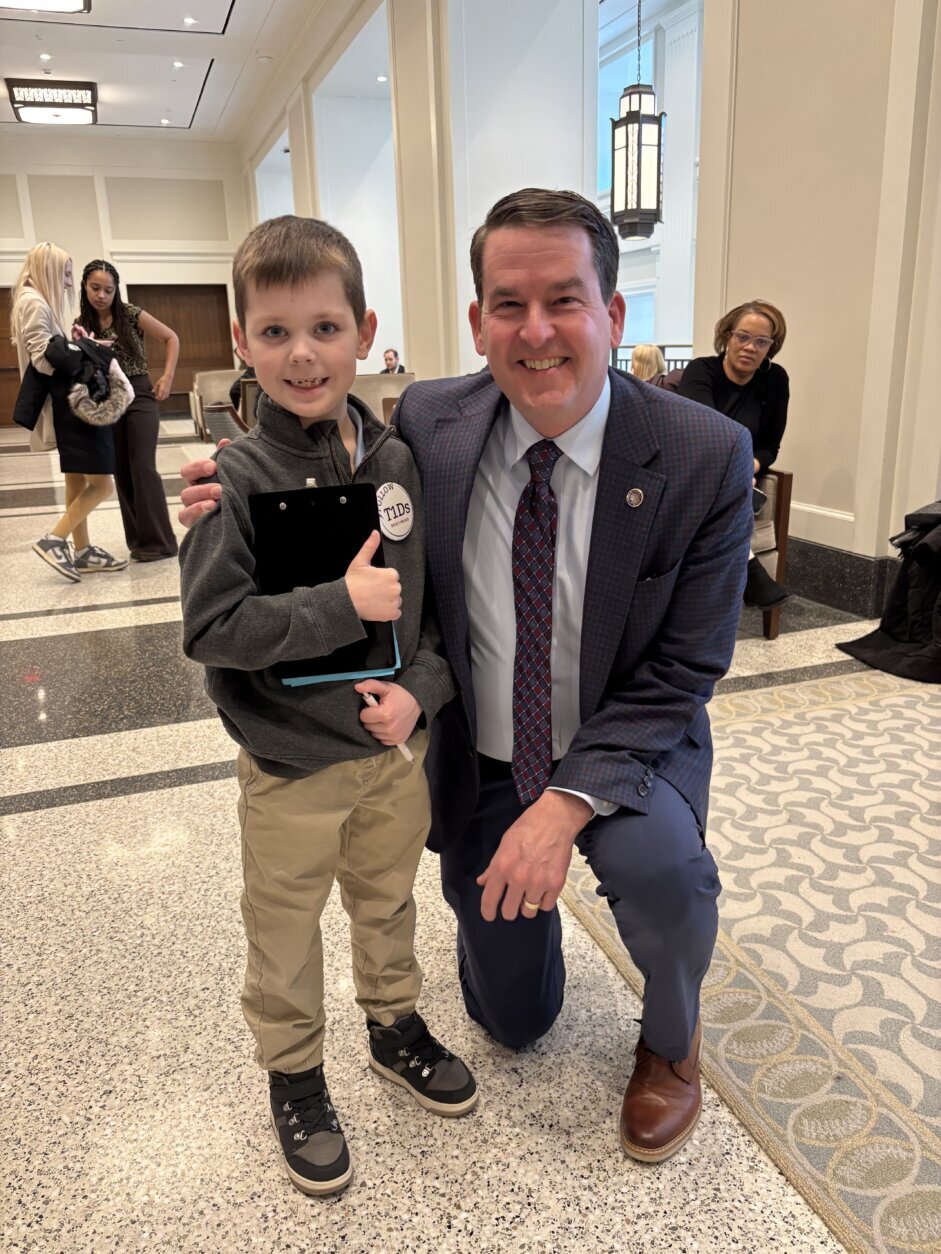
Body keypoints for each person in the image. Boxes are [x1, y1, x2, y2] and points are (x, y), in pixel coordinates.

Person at [179, 189, 753, 1165]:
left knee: (666, 878)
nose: (535, 331)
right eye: (507, 305)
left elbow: (683, 668)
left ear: (611, 314)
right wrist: (231, 486)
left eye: (563, 300)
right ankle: (478, 966)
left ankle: (671, 1040)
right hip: (484, 750)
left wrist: (563, 806)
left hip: (621, 742)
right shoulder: (431, 424)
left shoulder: (703, 453)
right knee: (512, 1023)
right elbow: (342, 510)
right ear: (477, 321)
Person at [178, 215, 476, 1198]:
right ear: (242, 342)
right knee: (284, 926)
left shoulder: (397, 463)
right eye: (274, 332)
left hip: (389, 757)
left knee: (387, 902)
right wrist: (336, 607)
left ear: (364, 332)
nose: (302, 354)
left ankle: (393, 1026)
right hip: (290, 766)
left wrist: (418, 697)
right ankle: (295, 1072)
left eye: (324, 328)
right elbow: (213, 629)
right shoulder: (231, 480)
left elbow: (428, 617)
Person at [12, 242, 126, 582]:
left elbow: (53, 348)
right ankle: (55, 539)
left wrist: (77, 343)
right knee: (103, 484)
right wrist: (85, 351)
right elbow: (43, 359)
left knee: (76, 478)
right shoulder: (33, 302)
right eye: (64, 274)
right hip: (73, 404)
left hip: (66, 404)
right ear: (48, 269)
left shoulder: (33, 300)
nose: (67, 282)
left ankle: (83, 550)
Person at [678, 300, 790, 608]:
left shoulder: (775, 381)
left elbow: (770, 447)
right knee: (717, 480)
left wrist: (750, 464)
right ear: (727, 335)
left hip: (738, 478)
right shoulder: (701, 371)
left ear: (771, 346)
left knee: (724, 486)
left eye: (761, 341)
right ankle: (751, 570)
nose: (750, 347)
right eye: (743, 337)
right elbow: (704, 437)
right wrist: (739, 469)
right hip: (694, 469)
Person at [75, 261, 179, 562]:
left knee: (142, 465)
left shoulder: (131, 314)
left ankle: (160, 542)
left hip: (140, 394)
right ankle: (139, 542)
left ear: (115, 290)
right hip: (108, 398)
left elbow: (171, 337)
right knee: (121, 468)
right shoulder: (81, 324)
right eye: (96, 288)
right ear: (85, 287)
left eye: (108, 290)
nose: (102, 295)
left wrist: (167, 376)